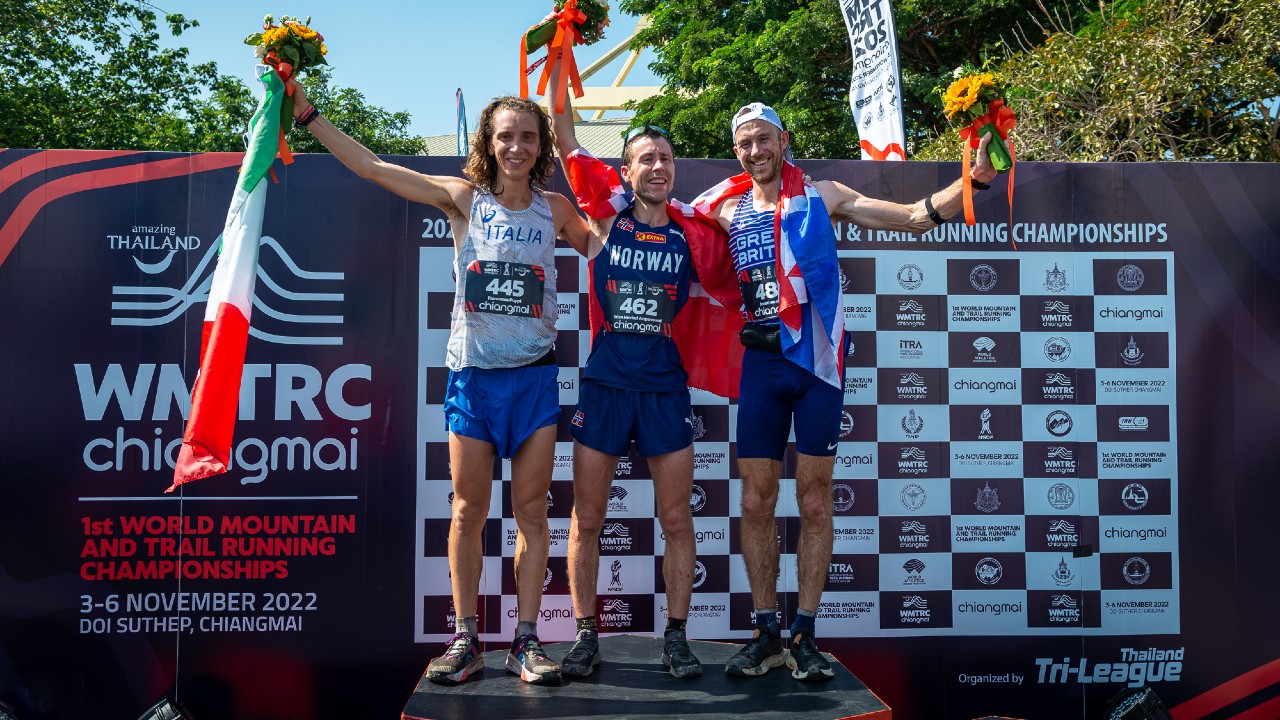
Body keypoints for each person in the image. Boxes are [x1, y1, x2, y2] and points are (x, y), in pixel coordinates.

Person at [289, 81, 590, 685]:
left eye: (528, 137)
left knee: (532, 513)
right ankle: (467, 638)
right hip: (474, 379)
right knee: (469, 511)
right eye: (506, 135)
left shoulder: (555, 210)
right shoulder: (461, 198)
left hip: (533, 380)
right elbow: (373, 169)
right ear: (489, 140)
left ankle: (525, 641)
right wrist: (306, 114)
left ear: (542, 146)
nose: (517, 146)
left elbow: (609, 248)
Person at [694, 103, 997, 680]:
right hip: (760, 365)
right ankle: (764, 631)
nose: (755, 151)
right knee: (756, 502)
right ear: (737, 150)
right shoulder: (721, 208)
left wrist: (971, 182)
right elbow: (667, 238)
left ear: (783, 140)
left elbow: (910, 217)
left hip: (817, 367)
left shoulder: (822, 195)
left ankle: (804, 633)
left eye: (764, 140)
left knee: (813, 500)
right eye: (744, 143)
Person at [546, 75, 742, 680]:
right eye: (645, 159)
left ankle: (677, 638)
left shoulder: (693, 232)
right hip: (605, 387)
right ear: (626, 171)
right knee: (588, 518)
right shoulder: (601, 223)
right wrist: (559, 55)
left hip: (664, 388)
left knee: (677, 519)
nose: (658, 167)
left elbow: (745, 265)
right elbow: (563, 136)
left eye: (666, 159)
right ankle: (585, 636)